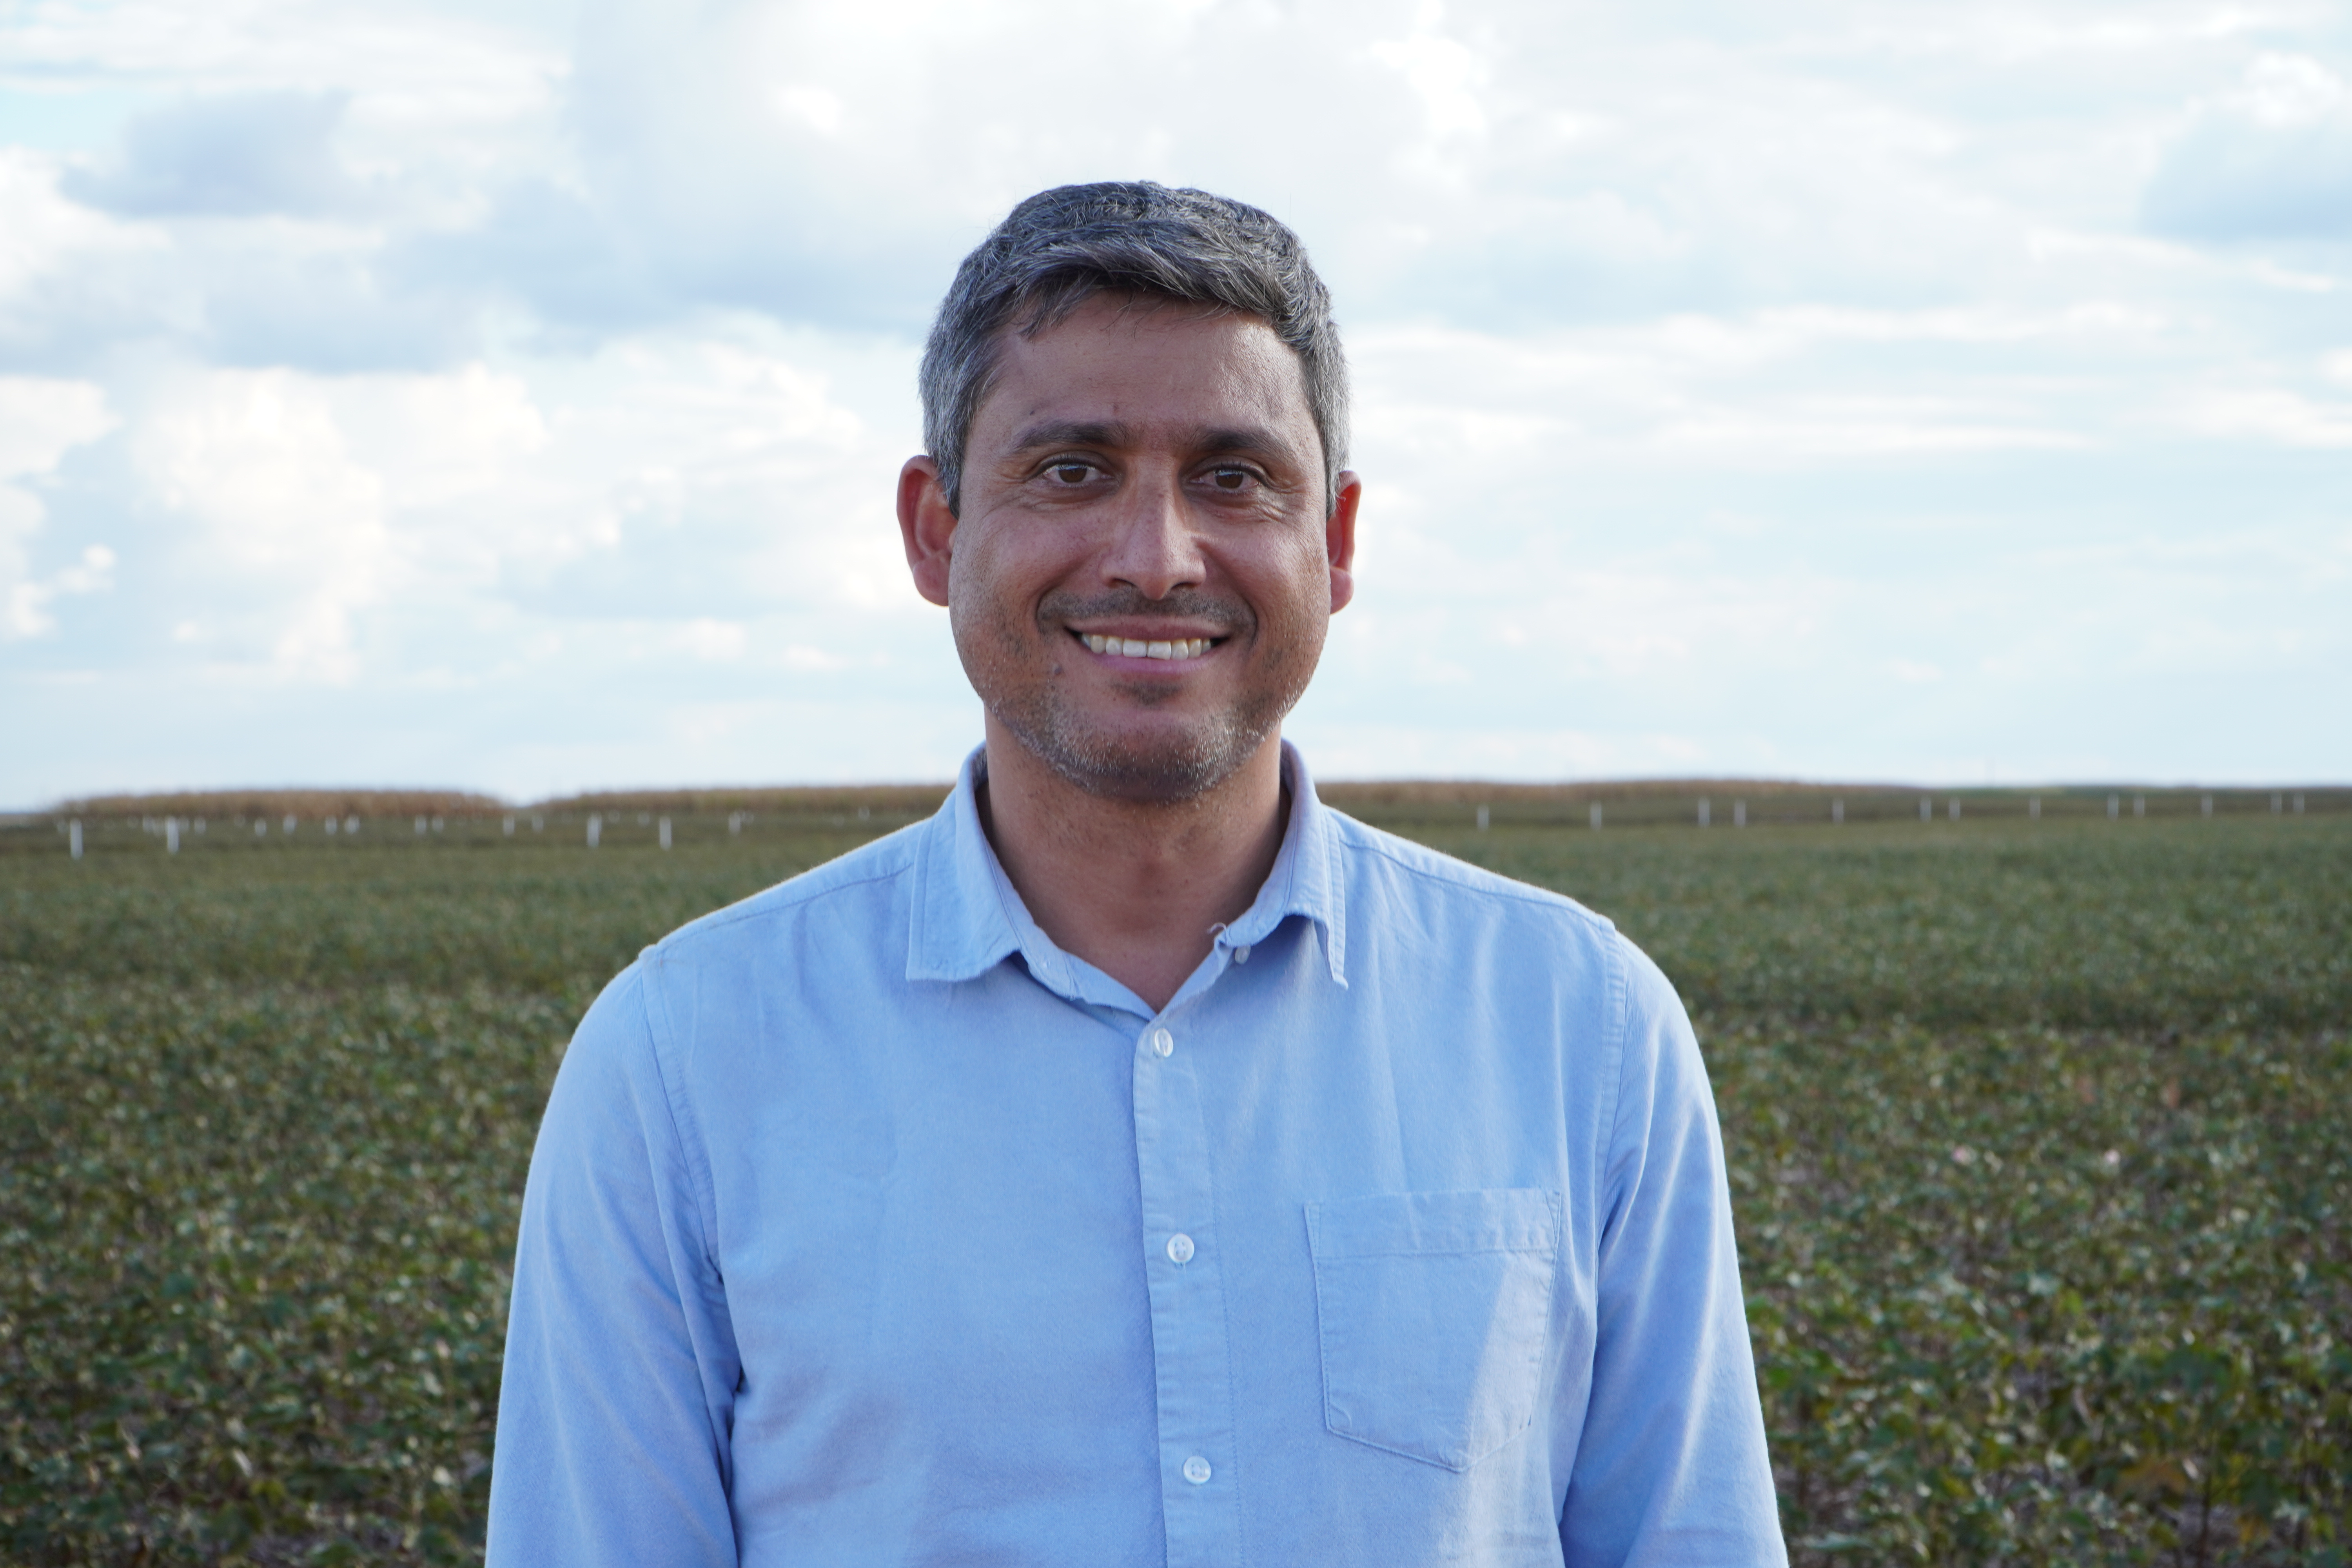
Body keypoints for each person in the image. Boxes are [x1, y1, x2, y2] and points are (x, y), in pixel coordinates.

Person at [486, 181, 1786, 1567]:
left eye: (1233, 477)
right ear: (936, 530)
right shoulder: (684, 1060)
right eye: (1071, 470)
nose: (1157, 559)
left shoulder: (1580, 1027)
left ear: (1334, 543)